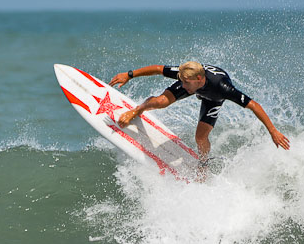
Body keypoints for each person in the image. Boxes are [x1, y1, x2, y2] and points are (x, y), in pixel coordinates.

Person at [110, 62, 290, 172]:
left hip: (213, 98)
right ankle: (138, 110)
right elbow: (158, 69)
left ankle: (203, 164)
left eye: (185, 82)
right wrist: (129, 75)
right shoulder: (186, 75)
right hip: (197, 86)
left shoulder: (222, 88)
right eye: (181, 80)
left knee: (201, 137)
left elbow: (254, 105)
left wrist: (273, 131)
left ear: (198, 78)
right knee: (161, 101)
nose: (182, 84)